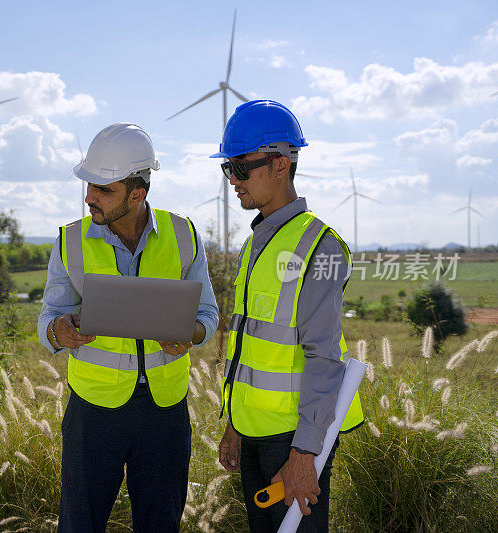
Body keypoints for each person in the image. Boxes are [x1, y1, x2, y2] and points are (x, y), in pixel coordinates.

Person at [38, 123, 219, 532]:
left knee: (160, 524)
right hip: (93, 412)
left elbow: (207, 314)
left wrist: (189, 336)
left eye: (103, 190)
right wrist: (59, 331)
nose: (90, 197)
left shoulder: (184, 235)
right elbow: (48, 318)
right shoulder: (69, 242)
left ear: (137, 194)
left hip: (164, 413)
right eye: (89, 185)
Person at [212, 100, 364, 532]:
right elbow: (249, 348)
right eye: (228, 170)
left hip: (294, 440)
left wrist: (306, 454)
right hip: (255, 432)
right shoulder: (255, 243)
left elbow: (322, 356)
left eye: (242, 168)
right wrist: (236, 425)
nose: (233, 182)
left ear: (281, 164)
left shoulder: (321, 247)